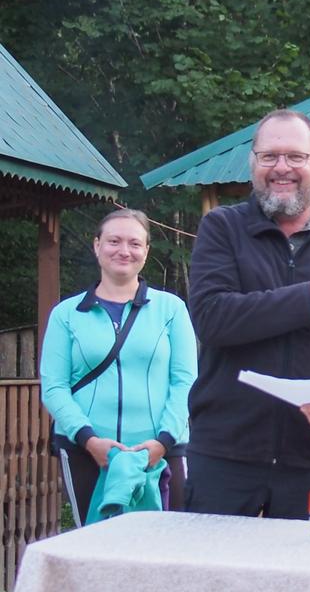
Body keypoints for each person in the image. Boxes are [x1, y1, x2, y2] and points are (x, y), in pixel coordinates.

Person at [184, 109, 310, 519]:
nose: (282, 168)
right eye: (269, 157)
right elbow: (212, 318)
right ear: (252, 164)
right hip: (224, 459)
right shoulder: (221, 229)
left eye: (295, 157)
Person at [40, 208, 197, 526]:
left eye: (134, 243)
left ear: (146, 251)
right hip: (87, 451)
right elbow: (54, 386)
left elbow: (186, 380)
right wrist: (88, 439)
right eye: (114, 241)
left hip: (162, 450)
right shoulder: (66, 314)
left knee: (167, 547)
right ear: (97, 246)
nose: (124, 251)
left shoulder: (171, 309)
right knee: (95, 548)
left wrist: (162, 442)